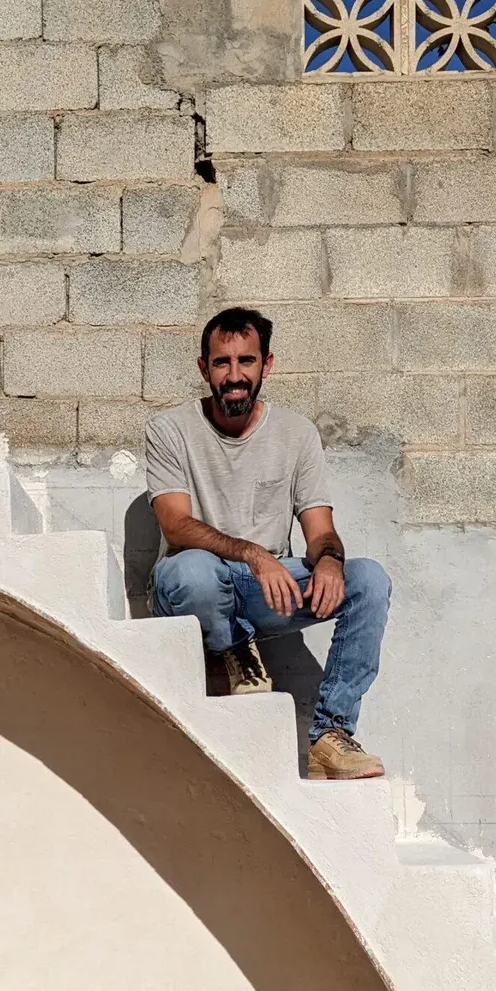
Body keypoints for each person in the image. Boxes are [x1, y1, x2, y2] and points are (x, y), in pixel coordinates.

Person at [144, 306, 392, 782]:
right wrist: (255, 555)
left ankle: (329, 735)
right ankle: (234, 648)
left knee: (369, 579)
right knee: (192, 569)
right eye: (222, 363)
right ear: (204, 368)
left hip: (265, 592)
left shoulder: (297, 433)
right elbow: (176, 525)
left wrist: (329, 563)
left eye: (246, 362)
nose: (234, 376)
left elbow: (320, 529)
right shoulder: (169, 429)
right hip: (193, 587)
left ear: (267, 364)